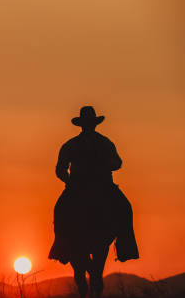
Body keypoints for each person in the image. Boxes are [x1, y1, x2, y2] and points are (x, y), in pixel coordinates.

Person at [49, 106, 138, 264]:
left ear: (94, 124)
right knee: (60, 209)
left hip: (102, 185)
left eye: (91, 122)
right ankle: (61, 246)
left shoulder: (104, 143)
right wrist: (69, 181)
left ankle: (125, 246)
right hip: (78, 186)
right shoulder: (72, 145)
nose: (89, 125)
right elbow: (60, 169)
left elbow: (117, 162)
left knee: (125, 207)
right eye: (87, 122)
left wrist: (105, 164)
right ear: (82, 124)